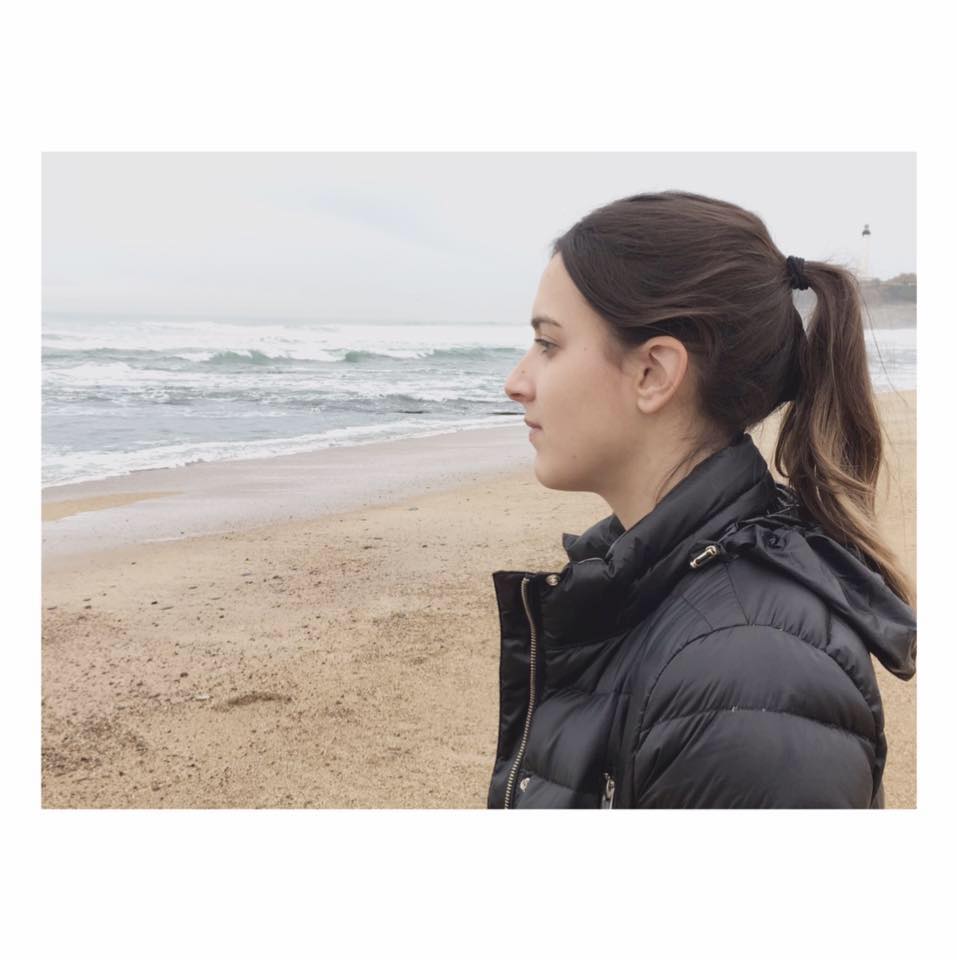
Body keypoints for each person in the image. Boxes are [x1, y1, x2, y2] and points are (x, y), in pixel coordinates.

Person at [488, 190, 916, 809]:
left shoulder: (749, 676)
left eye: (548, 344)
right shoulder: (648, 586)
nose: (516, 382)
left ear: (655, 374)